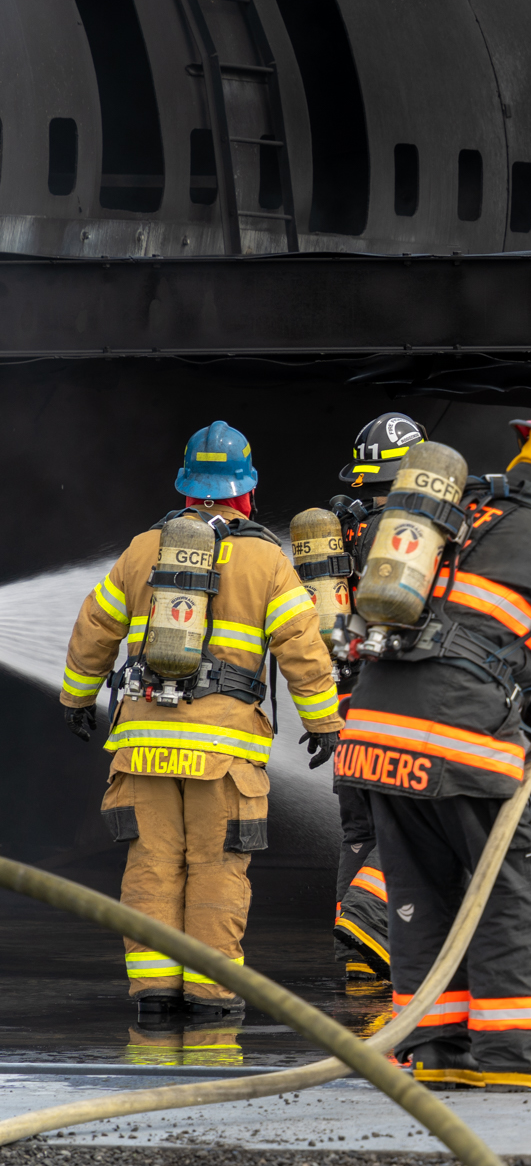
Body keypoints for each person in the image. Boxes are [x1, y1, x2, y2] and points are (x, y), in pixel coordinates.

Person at [338, 394, 531, 1093]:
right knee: (515, 888)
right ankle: (515, 1054)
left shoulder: (461, 512)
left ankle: (437, 1048)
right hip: (455, 738)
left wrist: (526, 701)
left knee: (425, 889)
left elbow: (462, 638)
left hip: (372, 731)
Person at [58, 421, 342, 1023]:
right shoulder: (268, 560)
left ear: (187, 488)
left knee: (152, 869)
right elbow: (303, 647)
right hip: (224, 755)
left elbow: (94, 629)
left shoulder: (141, 550)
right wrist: (324, 724)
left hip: (142, 748)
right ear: (245, 493)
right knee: (215, 870)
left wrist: (78, 700)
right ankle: (212, 1000)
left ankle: (154, 997)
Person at [318, 412, 429, 985]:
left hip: (345, 709)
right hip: (402, 708)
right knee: (417, 824)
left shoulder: (344, 531)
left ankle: (357, 961)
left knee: (359, 832)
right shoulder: (419, 536)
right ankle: (370, 923)